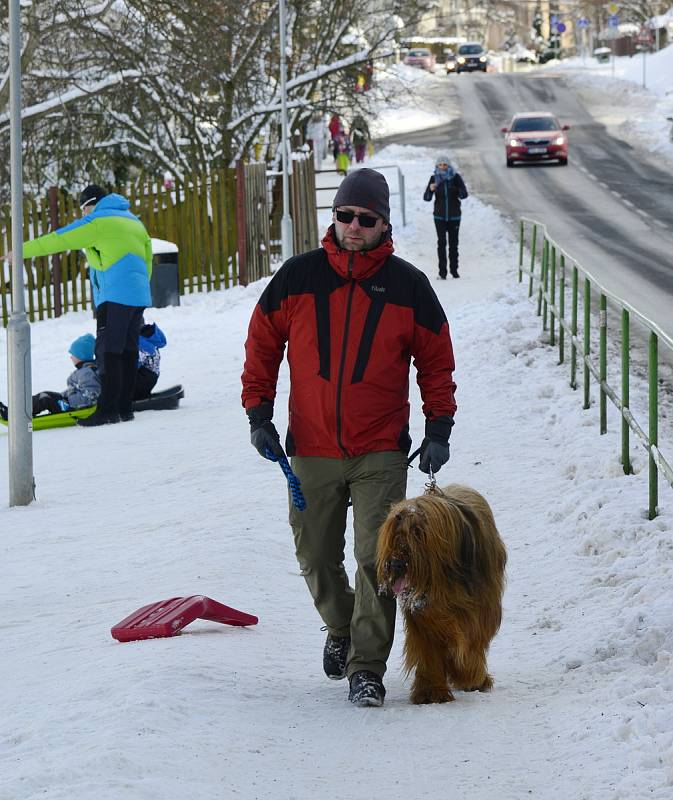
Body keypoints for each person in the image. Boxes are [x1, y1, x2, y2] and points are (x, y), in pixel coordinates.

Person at [241, 168, 457, 708]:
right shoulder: (298, 278)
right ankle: (341, 627)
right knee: (315, 555)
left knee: (376, 560)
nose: (353, 226)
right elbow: (262, 344)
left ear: (383, 224)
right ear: (333, 217)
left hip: (380, 449)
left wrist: (438, 428)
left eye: (366, 219)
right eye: (345, 216)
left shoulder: (409, 287)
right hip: (310, 446)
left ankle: (366, 667)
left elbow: (435, 362)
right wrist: (258, 412)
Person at [11, 184, 152, 426]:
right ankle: (124, 408)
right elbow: (147, 257)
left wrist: (20, 251)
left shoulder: (98, 222)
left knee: (108, 352)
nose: (83, 214)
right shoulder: (133, 221)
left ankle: (107, 411)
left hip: (115, 294)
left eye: (84, 208)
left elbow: (59, 239)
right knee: (128, 350)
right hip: (138, 295)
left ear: (92, 204)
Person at [0, 334, 100, 421]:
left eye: (73, 355)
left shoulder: (86, 373)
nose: (71, 357)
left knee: (45, 399)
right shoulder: (84, 371)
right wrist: (62, 396)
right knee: (45, 395)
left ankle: (15, 415)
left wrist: (67, 400)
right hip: (69, 403)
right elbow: (75, 390)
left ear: (81, 356)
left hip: (73, 407)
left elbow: (90, 395)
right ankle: (16, 412)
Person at [423, 155, 468, 280]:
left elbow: (464, 194)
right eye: (440, 165)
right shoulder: (434, 178)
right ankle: (442, 272)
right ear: (437, 166)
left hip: (454, 217)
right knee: (441, 243)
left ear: (449, 166)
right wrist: (431, 190)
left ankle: (454, 271)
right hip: (439, 217)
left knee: (454, 244)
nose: (442, 167)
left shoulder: (455, 177)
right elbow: (426, 198)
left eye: (445, 165)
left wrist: (456, 190)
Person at [135, 321, 167, 399]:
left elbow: (133, 365)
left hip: (141, 381)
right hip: (150, 378)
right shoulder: (148, 337)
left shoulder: (139, 341)